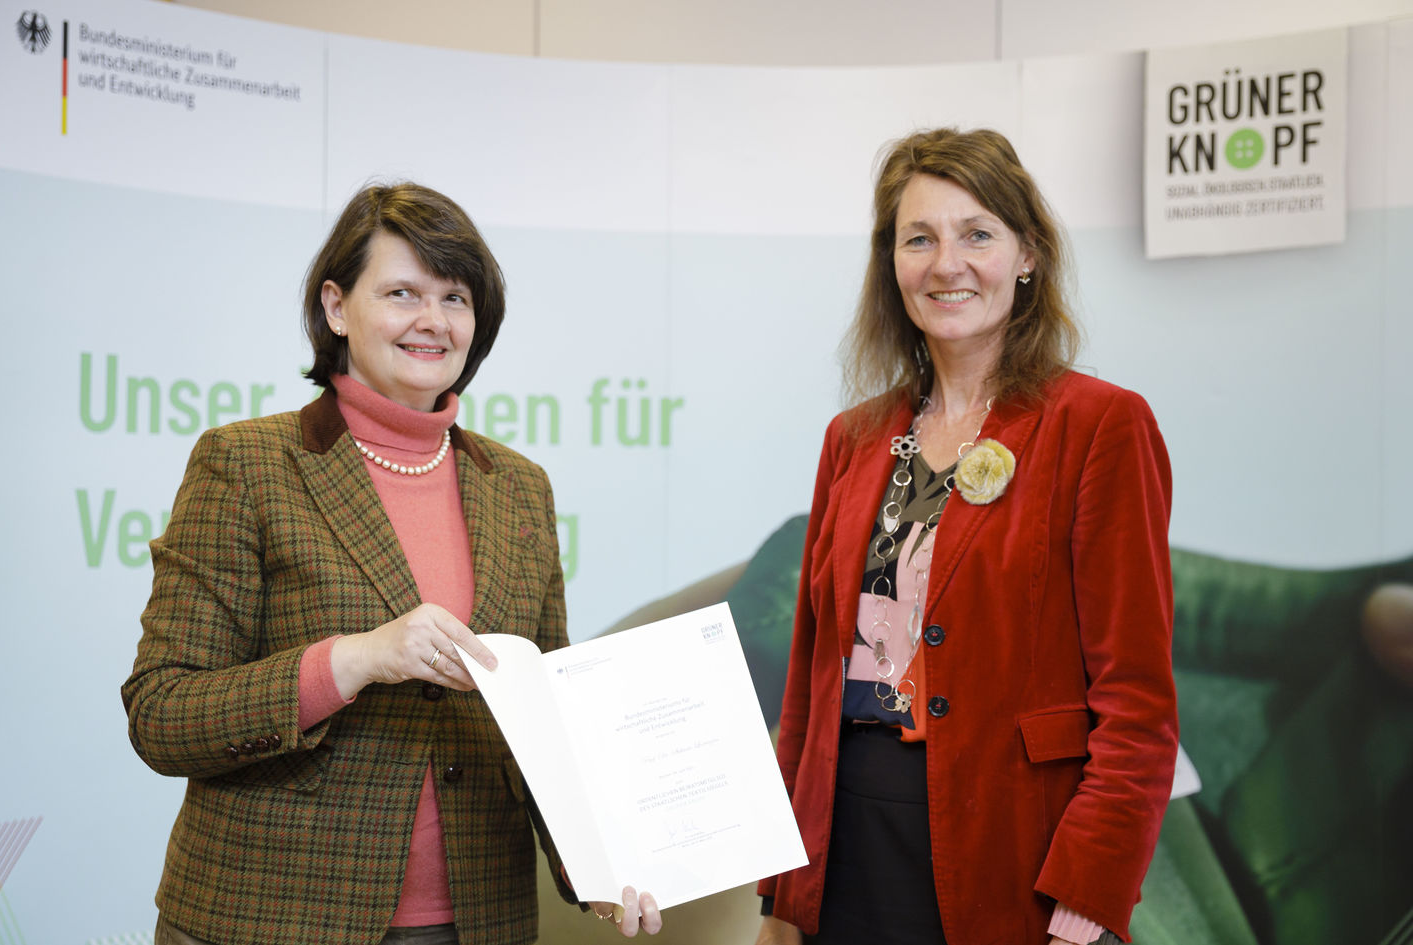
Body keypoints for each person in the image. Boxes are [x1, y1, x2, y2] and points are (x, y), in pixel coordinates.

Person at [122, 183, 661, 945]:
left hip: (478, 920)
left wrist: (599, 874)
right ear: (337, 307)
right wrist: (358, 658)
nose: (433, 321)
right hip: (270, 920)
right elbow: (162, 712)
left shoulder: (519, 488)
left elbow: (545, 722)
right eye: (402, 292)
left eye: (455, 297)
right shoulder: (246, 463)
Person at [754, 128, 1178, 945]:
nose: (947, 263)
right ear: (894, 266)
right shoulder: (855, 436)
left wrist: (1087, 903)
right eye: (920, 238)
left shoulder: (1100, 425)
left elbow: (1138, 709)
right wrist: (782, 890)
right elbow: (808, 694)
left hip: (1011, 851)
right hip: (843, 844)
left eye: (976, 233)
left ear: (1028, 254)